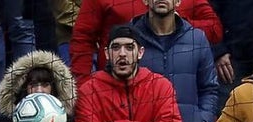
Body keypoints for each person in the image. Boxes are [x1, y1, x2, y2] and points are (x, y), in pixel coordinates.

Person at [69, 0, 222, 87]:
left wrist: (177, 22)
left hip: (182, 92)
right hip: (119, 95)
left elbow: (215, 29)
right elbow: (82, 38)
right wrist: (83, 84)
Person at [130, 0, 219, 122]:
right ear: (145, 1)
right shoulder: (129, 41)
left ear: (178, 1)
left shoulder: (197, 39)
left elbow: (209, 89)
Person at [74, 24, 182, 122]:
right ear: (106, 53)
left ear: (140, 52)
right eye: (116, 47)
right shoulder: (89, 91)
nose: (122, 53)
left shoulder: (160, 86)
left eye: (129, 48)